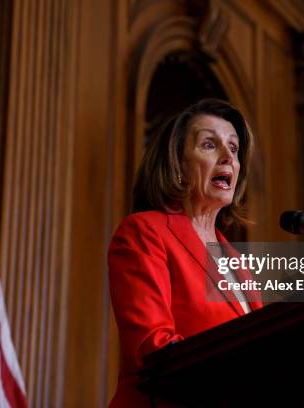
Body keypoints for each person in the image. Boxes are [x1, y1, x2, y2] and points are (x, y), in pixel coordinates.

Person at [108, 99, 263, 407]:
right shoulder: (145, 232)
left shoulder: (238, 262)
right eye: (209, 144)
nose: (227, 158)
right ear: (177, 164)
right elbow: (154, 349)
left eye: (233, 149)